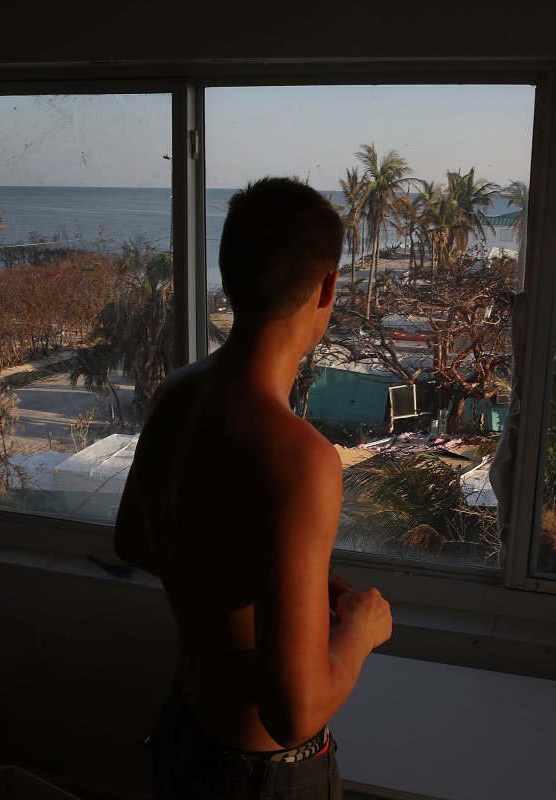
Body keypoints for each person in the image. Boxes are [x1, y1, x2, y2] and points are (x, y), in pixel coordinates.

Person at [114, 176, 393, 799]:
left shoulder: (177, 395)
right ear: (327, 287)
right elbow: (292, 714)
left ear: (231, 274)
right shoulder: (301, 460)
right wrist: (362, 630)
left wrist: (274, 578)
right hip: (259, 778)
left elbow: (135, 540)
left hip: (183, 735)